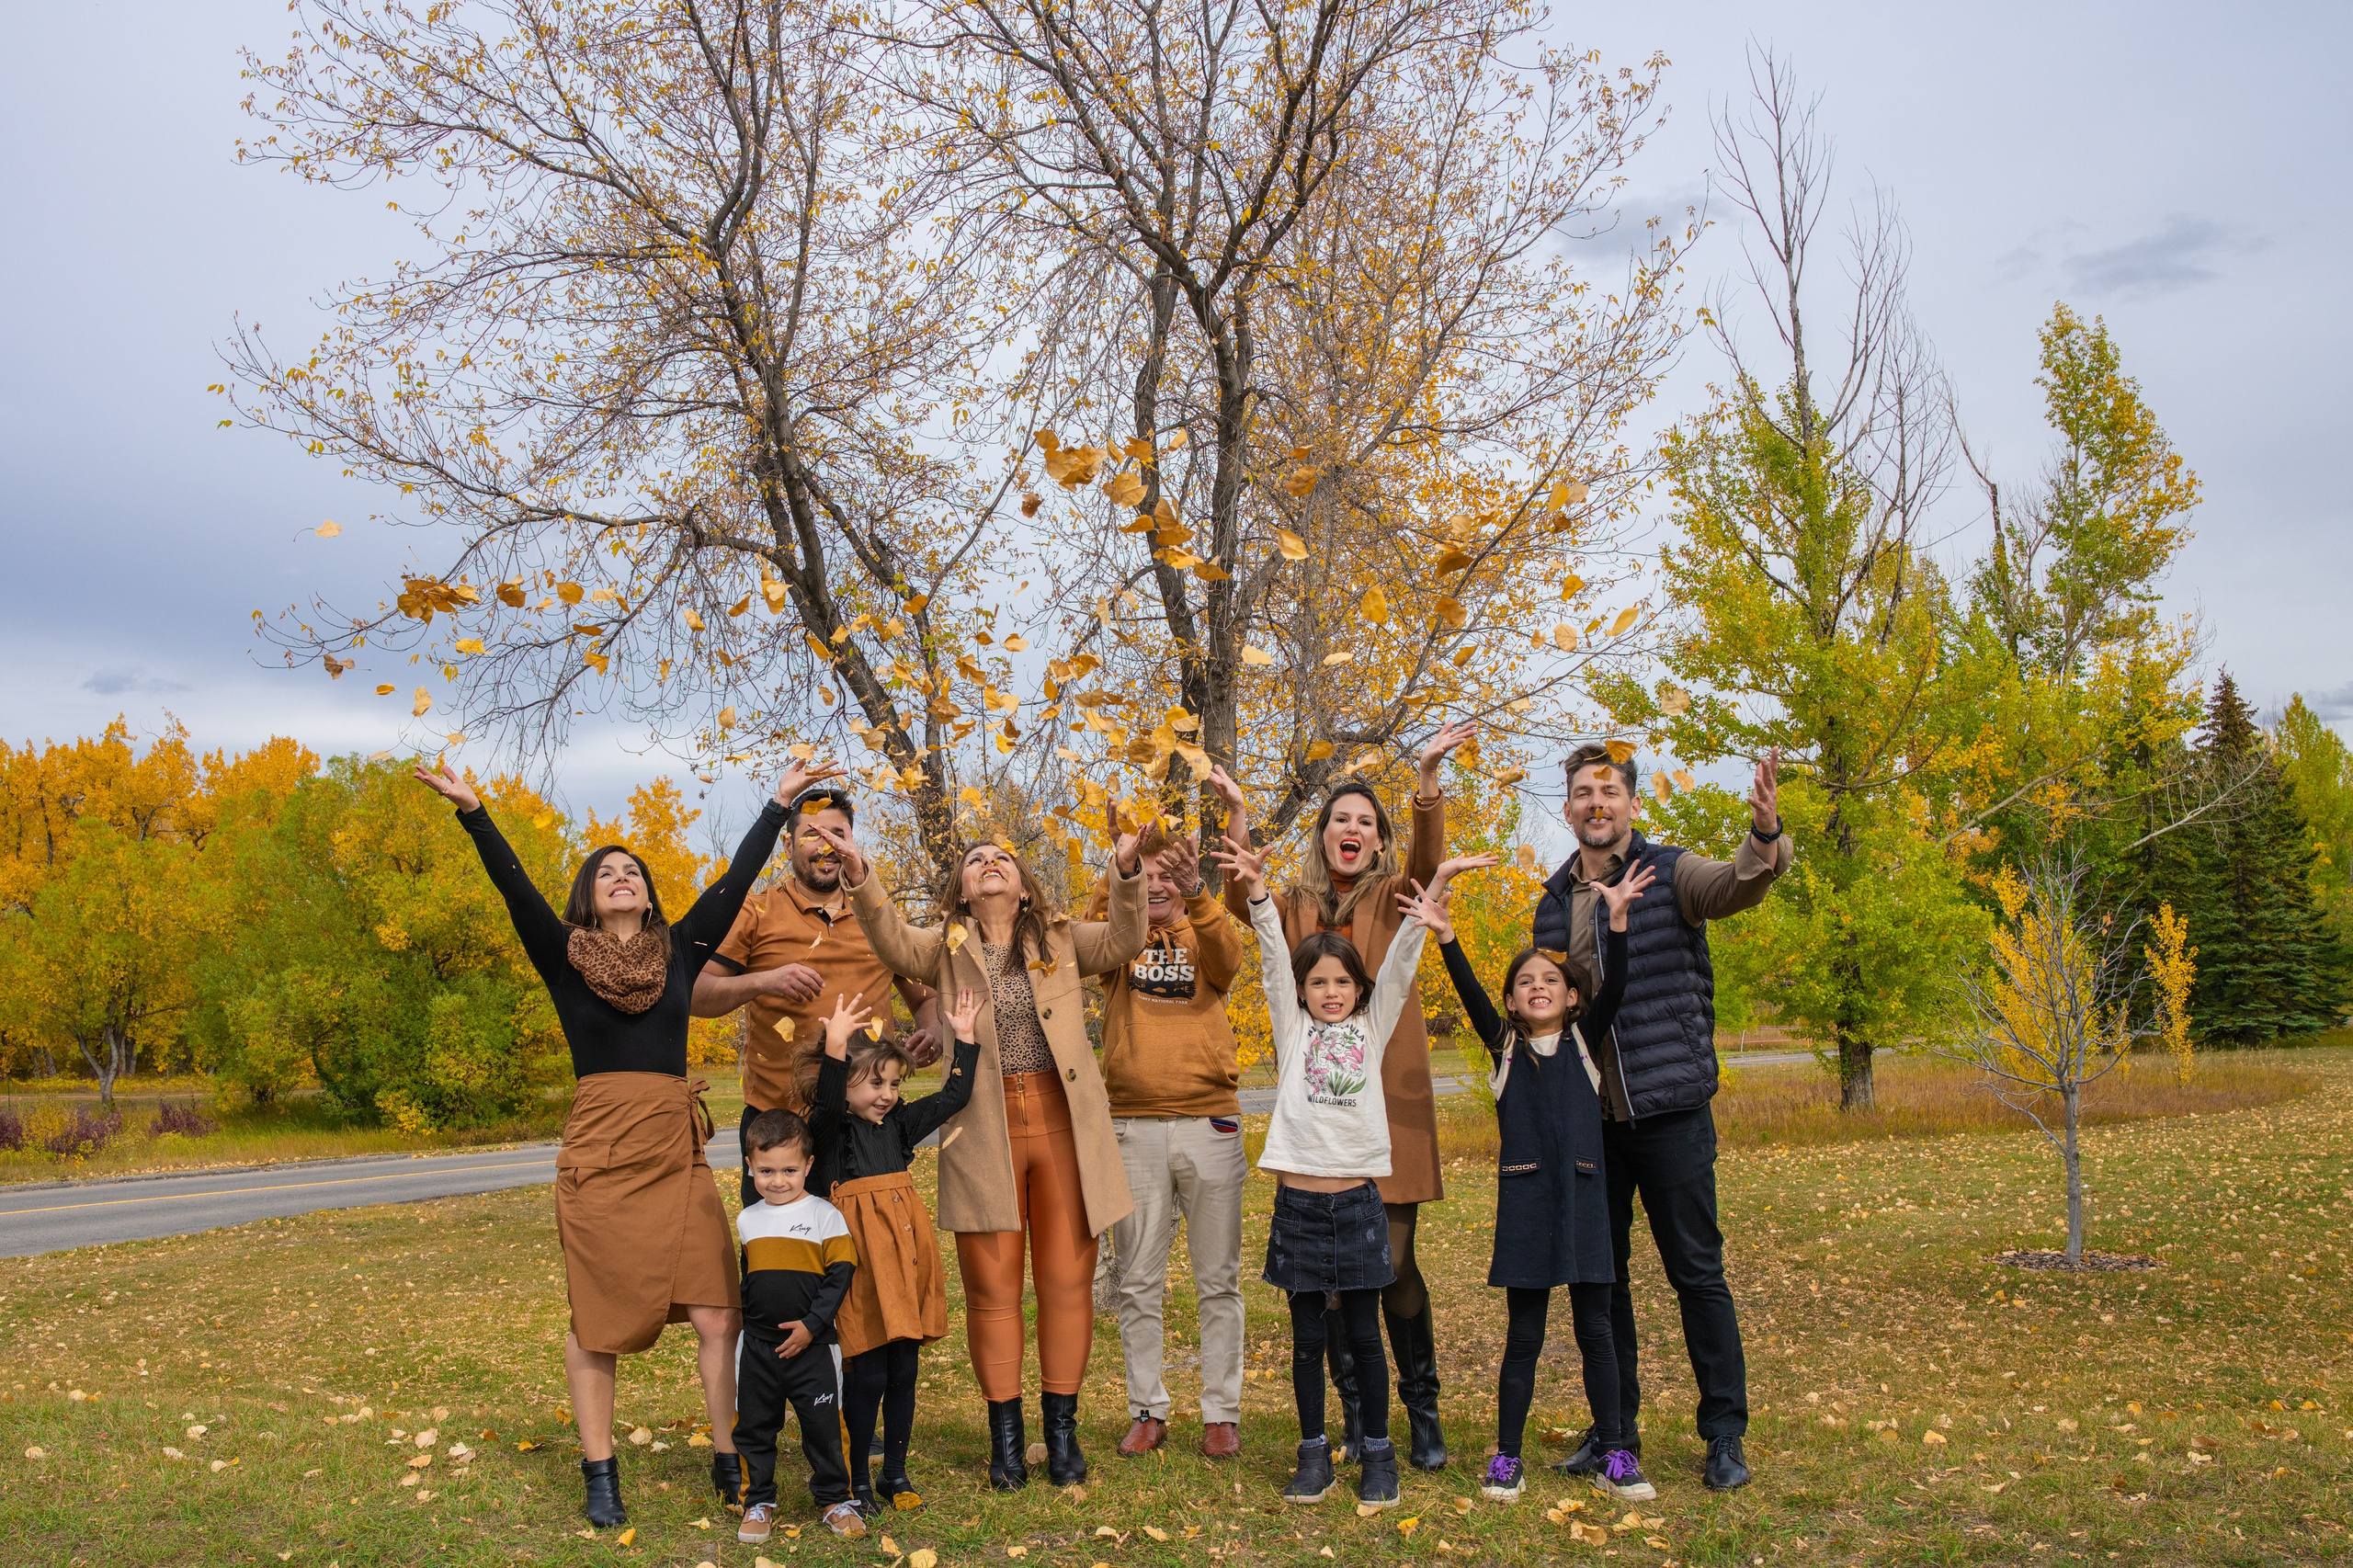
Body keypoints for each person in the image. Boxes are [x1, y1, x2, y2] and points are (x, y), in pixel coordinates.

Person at [415, 756, 826, 1528]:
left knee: (717, 1313)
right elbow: (515, 892)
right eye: (606, 871)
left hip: (674, 1154)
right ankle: (600, 1470)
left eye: (632, 869)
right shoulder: (563, 957)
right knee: (594, 1322)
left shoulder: (680, 950)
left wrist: (777, 807)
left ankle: (729, 1452)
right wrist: (475, 812)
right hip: (601, 1155)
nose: (622, 875)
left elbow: (732, 885)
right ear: (588, 895)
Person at [813, 806, 1147, 1490]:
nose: (990, 864)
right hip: (983, 1134)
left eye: (1002, 858)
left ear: (1023, 885)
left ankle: (1061, 1435)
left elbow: (1125, 936)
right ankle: (1006, 1439)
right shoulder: (943, 946)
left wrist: (1125, 868)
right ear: (962, 891)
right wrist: (858, 872)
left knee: (1065, 1286)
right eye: (975, 861)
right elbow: (890, 938)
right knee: (993, 1293)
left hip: (1063, 1131)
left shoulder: (1061, 938)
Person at [1213, 722, 1474, 1471]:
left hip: (1388, 1105)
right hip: (1317, 1128)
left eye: (1365, 820)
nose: (1349, 829)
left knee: (1391, 1268)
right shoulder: (1295, 903)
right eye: (1338, 820)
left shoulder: (1398, 894)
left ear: (1379, 838)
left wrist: (1426, 778)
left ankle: (1420, 1409)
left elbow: (1430, 864)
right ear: (1323, 836)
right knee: (1330, 1285)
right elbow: (1246, 899)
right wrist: (1237, 812)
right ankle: (1360, 1418)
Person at [1529, 744, 1789, 1493]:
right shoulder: (1554, 901)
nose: (1597, 803)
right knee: (1603, 1284)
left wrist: (1766, 835)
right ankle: (1617, 1433)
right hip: (1592, 1125)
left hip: (1671, 1112)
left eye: (1610, 791)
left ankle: (1724, 1436)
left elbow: (1741, 883)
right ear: (1570, 807)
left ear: (1633, 805)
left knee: (1696, 1276)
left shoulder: (1674, 874)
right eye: (1583, 792)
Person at [1422, 855, 1656, 1504]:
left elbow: (1617, 987)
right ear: (1512, 1000)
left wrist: (1616, 926)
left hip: (1584, 1206)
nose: (1537, 986)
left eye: (1550, 979)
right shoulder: (1505, 1050)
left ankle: (1616, 1451)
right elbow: (1470, 995)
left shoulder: (1587, 1043)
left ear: (1572, 995)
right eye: (1524, 981)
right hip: (1526, 1208)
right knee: (1522, 1339)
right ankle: (1507, 1457)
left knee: (1596, 1333)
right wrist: (1447, 937)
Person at [1215, 831, 1434, 1512]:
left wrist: (1433, 904)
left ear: (1358, 990)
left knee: (1365, 1338)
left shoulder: (1371, 1027)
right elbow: (1274, 959)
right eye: (1319, 983)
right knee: (1307, 1340)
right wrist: (1256, 891)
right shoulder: (1294, 1027)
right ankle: (1314, 1452)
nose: (1330, 992)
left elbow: (1397, 969)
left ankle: (1377, 1452)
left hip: (1358, 1207)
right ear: (1303, 993)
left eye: (1342, 982)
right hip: (1300, 1211)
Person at [691, 781, 940, 1207]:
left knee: (869, 1253)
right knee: (782, 1265)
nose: (826, 846)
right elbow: (697, 995)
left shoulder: (879, 916)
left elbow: (927, 998)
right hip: (780, 1125)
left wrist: (932, 1028)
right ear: (787, 845)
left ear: (851, 843)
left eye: (837, 835)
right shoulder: (755, 911)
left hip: (865, 1121)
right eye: (812, 834)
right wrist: (764, 981)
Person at [1086, 819, 1249, 1461]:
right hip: (1134, 1123)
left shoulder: (1203, 928)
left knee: (1219, 1278)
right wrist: (1121, 865)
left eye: (1167, 875)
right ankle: (1147, 1409)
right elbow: (1096, 921)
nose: (1157, 885)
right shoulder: (1116, 940)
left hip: (1209, 1121)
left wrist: (1200, 896)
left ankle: (1221, 1413)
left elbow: (1229, 964)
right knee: (1138, 1280)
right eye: (1145, 876)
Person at [806, 985, 983, 1516]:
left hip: (906, 1257)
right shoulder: (830, 1134)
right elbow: (826, 1102)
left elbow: (955, 1098)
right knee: (870, 1371)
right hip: (859, 1267)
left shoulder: (900, 1126)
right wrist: (835, 1048)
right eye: (873, 1083)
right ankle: (858, 1476)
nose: (885, 1093)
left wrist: (967, 1041)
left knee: (904, 1369)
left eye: (892, 1082)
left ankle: (894, 1472)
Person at [731, 1107, 865, 1544]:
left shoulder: (825, 1215)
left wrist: (810, 1325)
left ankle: (834, 1499)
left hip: (814, 1347)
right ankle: (758, 1501)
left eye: (790, 1169)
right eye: (766, 1170)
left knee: (824, 1428)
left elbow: (840, 1275)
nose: (778, 1180)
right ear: (750, 1167)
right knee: (754, 1427)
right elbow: (749, 1281)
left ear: (808, 1165)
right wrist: (749, 1331)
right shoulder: (748, 1220)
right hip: (758, 1349)